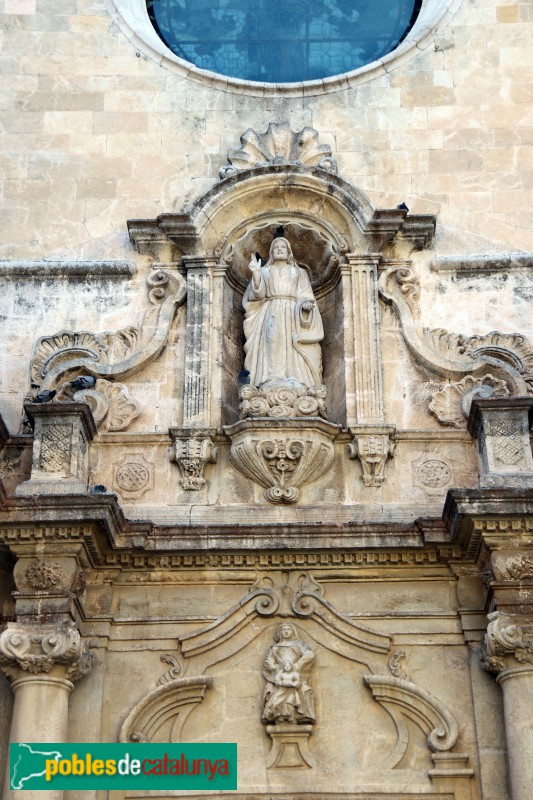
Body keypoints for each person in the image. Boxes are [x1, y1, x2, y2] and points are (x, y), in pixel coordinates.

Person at [243, 237, 323, 389]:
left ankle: (295, 378)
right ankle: (271, 377)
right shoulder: (265, 271)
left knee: (292, 343)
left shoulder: (299, 272)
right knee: (272, 340)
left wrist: (305, 305)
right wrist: (256, 274)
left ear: (288, 252)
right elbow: (257, 296)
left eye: (283, 247)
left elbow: (306, 295)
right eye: (276, 247)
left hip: (293, 312)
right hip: (271, 310)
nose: (279, 249)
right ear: (272, 252)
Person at [261, 623, 315, 724]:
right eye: (283, 630)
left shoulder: (299, 645)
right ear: (280, 633)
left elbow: (309, 654)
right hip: (279, 675)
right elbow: (269, 661)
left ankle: (303, 713)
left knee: (305, 690)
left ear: (293, 631)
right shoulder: (275, 648)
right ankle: (278, 714)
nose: (286, 631)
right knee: (273, 691)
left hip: (295, 673)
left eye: (288, 629)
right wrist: (276, 668)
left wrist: (298, 664)